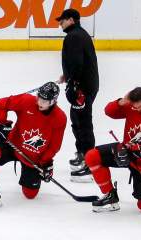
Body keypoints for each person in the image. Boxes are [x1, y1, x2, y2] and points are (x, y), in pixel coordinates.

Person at [85, 87, 141, 213]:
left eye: (139, 107)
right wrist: (122, 101)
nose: (136, 110)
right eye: (134, 107)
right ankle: (109, 195)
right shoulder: (132, 107)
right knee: (92, 156)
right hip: (126, 152)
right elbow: (109, 111)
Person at [0, 82, 68, 209]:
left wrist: (45, 163)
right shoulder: (26, 100)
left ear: (53, 101)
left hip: (33, 159)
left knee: (30, 195)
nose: (39, 102)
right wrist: (3, 125)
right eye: (39, 97)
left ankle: (30, 178)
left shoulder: (60, 118)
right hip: (13, 145)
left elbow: (55, 146)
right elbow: (0, 104)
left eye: (44, 100)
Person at [55, 8, 99, 178]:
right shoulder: (79, 34)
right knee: (77, 120)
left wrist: (74, 84)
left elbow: (77, 63)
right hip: (85, 86)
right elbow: (77, 63)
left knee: (83, 124)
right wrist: (68, 76)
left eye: (62, 21)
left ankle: (90, 162)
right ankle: (83, 153)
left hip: (82, 88)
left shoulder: (73, 37)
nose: (60, 24)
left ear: (71, 20)